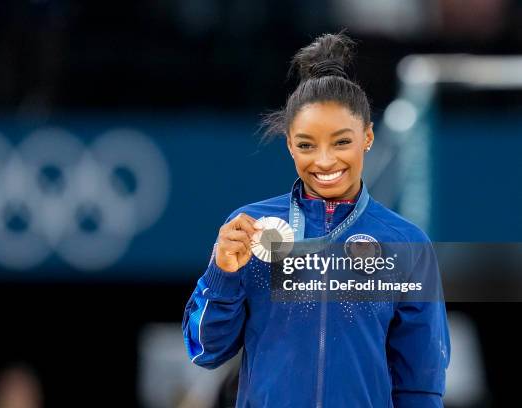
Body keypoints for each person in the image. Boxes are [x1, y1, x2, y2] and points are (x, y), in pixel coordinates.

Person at [182, 32, 450, 407]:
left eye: (341, 142)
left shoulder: (405, 243)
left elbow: (421, 383)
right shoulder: (251, 230)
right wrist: (221, 274)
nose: (324, 161)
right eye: (307, 145)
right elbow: (206, 350)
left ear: (368, 136)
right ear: (289, 144)